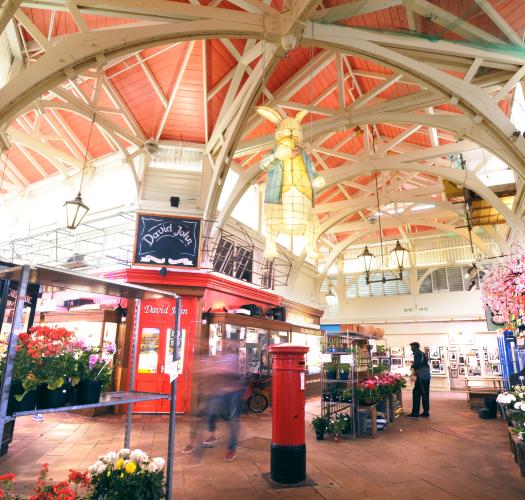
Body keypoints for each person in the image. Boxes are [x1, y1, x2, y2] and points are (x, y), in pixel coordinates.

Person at [181, 352, 245, 461]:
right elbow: (204, 376)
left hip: (231, 395)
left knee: (233, 422)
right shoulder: (209, 360)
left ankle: (232, 450)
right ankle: (195, 441)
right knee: (201, 417)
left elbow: (237, 380)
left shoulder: (232, 359)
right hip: (215, 394)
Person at [407, 342, 431, 418]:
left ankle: (415, 413)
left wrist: (412, 366)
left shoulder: (417, 353)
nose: (411, 348)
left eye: (412, 347)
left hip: (421, 376)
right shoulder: (422, 353)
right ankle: (426, 412)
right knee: (425, 394)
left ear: (415, 347)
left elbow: (417, 364)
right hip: (426, 375)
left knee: (416, 394)